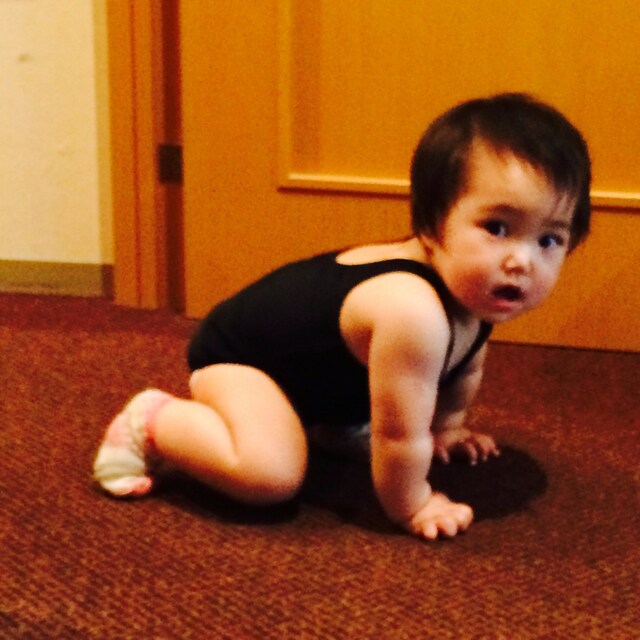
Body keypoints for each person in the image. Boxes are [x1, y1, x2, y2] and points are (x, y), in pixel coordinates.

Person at [94, 93, 591, 541]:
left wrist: (448, 428)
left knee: (359, 422)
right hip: (243, 362)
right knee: (269, 475)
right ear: (432, 222)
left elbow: (466, 366)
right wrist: (413, 503)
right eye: (497, 227)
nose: (522, 260)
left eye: (549, 239)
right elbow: (398, 437)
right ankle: (155, 419)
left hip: (315, 383)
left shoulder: (475, 291)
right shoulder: (412, 309)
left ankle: (316, 425)